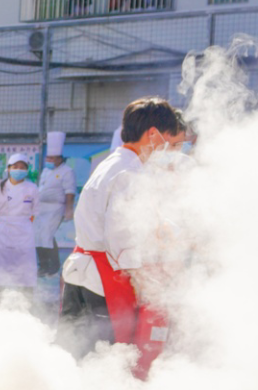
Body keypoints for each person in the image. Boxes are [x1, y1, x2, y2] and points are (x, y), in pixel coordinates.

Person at [59, 97, 184, 356]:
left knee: (71, 352)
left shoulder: (111, 163)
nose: (166, 149)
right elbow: (122, 237)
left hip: (81, 273)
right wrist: (147, 283)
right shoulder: (130, 173)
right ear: (153, 134)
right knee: (104, 359)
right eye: (168, 141)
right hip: (103, 280)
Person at [0, 154, 39, 296]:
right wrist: (4, 225)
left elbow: (34, 213)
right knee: (0, 264)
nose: (19, 170)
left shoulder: (32, 188)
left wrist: (22, 224)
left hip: (24, 231)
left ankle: (27, 298)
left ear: (27, 170)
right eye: (15, 167)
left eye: (22, 167)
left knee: (26, 265)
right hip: (3, 230)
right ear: (8, 169)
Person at [35, 131, 77, 276]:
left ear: (59, 159)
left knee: (47, 235)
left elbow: (70, 191)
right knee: (37, 235)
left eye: (51, 158)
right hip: (41, 207)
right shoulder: (46, 170)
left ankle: (52, 266)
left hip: (56, 208)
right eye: (48, 157)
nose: (49, 160)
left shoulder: (67, 171)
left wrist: (68, 209)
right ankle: (42, 265)